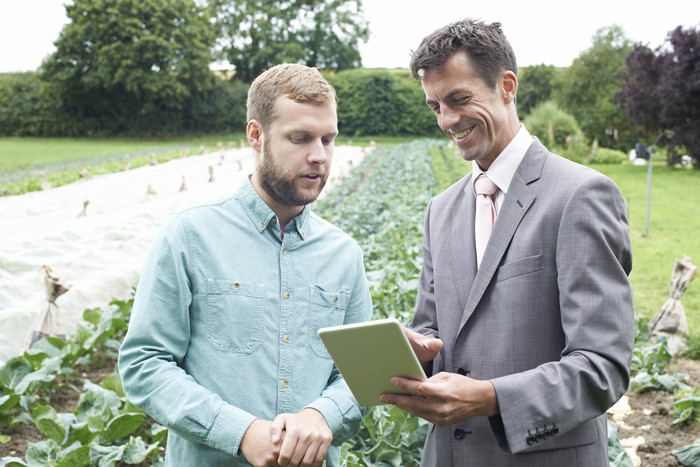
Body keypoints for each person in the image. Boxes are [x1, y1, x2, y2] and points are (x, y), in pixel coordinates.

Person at [379, 19, 635, 466]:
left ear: (507, 86)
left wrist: (491, 397)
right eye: (435, 106)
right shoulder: (441, 210)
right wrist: (415, 353)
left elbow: (602, 366)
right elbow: (434, 331)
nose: (447, 120)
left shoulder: (580, 194)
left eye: (459, 99)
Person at [118, 63, 372, 467]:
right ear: (256, 135)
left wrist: (321, 413)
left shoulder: (343, 254)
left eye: (328, 139)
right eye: (300, 138)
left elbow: (360, 375)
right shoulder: (189, 235)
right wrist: (238, 432)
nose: (319, 156)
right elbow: (145, 362)